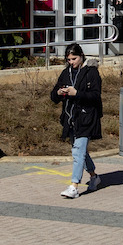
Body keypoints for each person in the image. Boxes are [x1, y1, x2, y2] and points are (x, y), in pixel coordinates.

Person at [51, 43, 103, 198]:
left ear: (81, 56)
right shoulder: (65, 73)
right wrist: (60, 92)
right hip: (70, 118)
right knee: (81, 152)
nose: (71, 62)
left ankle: (74, 186)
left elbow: (95, 96)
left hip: (87, 118)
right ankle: (94, 177)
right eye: (69, 59)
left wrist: (77, 93)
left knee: (78, 151)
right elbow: (53, 96)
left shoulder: (91, 72)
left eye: (74, 58)